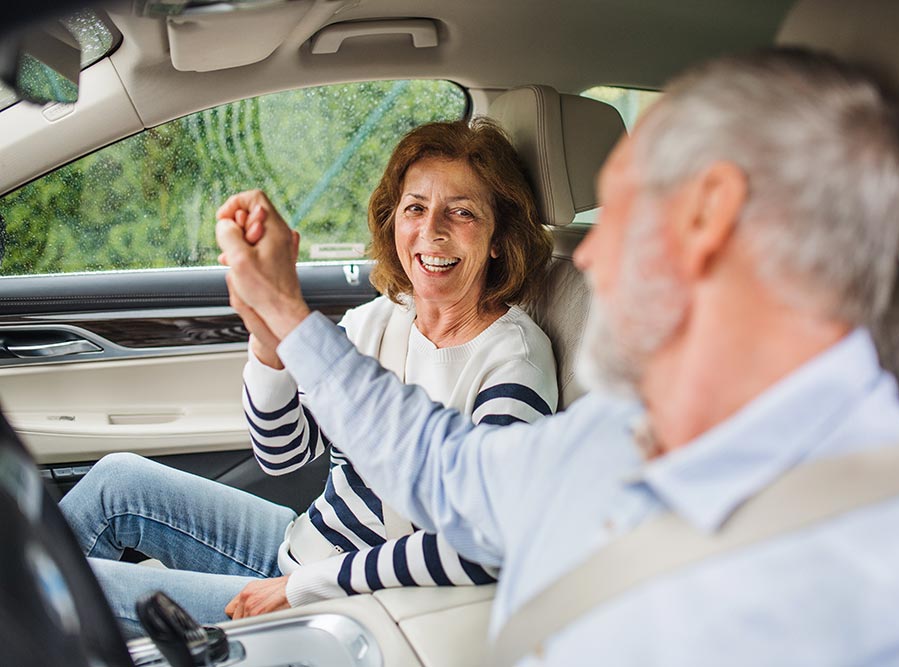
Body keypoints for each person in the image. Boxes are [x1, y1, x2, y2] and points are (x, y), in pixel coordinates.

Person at [217, 47, 899, 665]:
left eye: (618, 208)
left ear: (707, 212)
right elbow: (437, 466)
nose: (586, 261)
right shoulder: (603, 435)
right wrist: (284, 317)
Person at [59, 118, 557, 637]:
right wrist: (268, 346)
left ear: (499, 238)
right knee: (118, 480)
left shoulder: (512, 361)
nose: (431, 230)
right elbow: (283, 454)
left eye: (462, 212)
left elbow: (485, 539)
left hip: (365, 603)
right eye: (415, 207)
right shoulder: (379, 318)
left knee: (72, 595)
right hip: (306, 546)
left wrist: (302, 588)